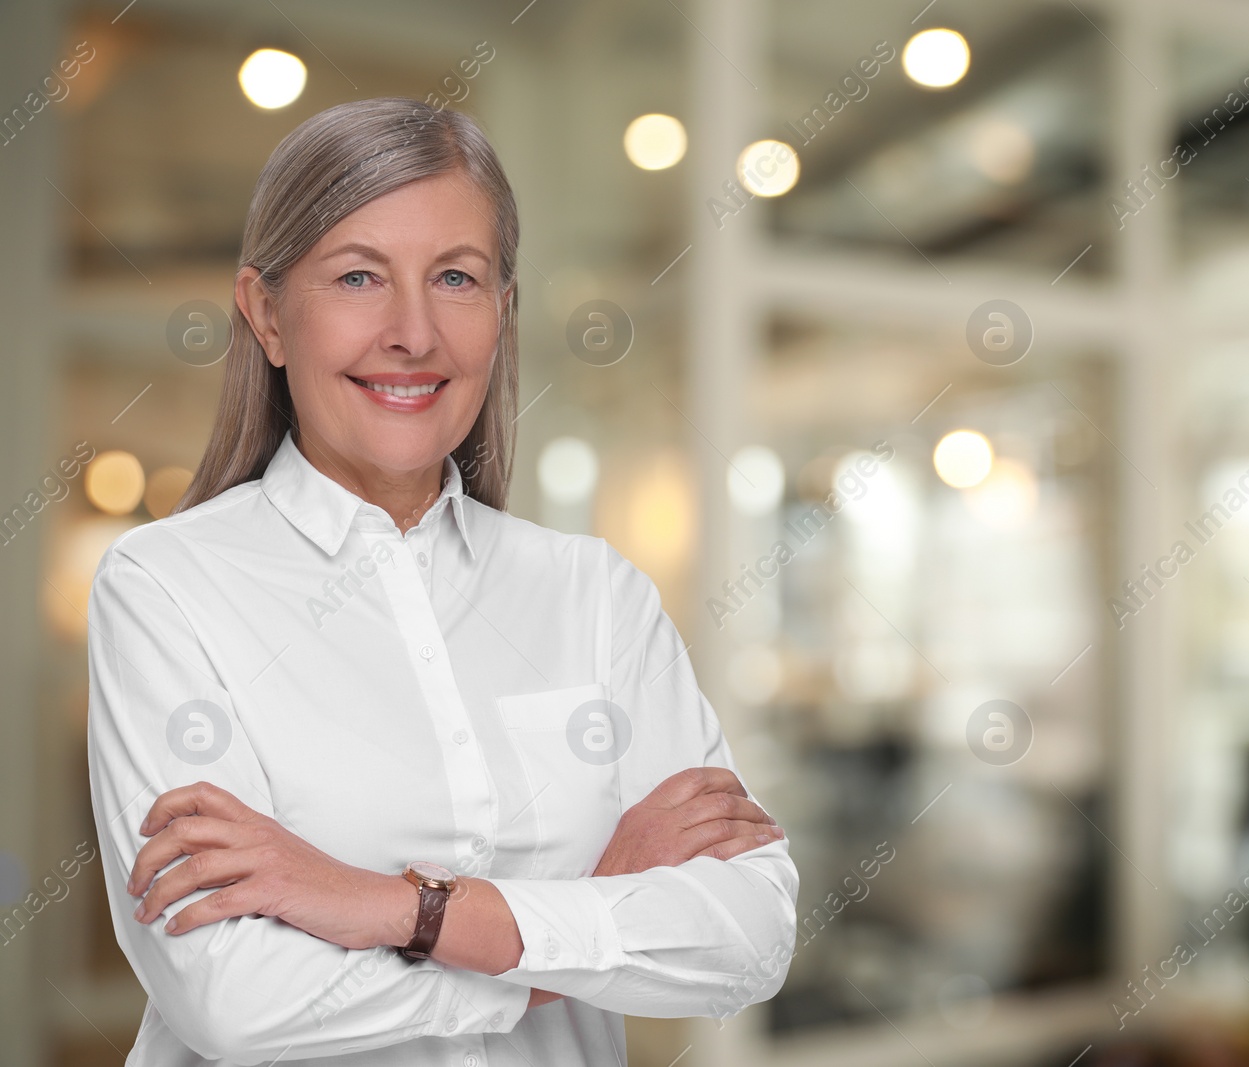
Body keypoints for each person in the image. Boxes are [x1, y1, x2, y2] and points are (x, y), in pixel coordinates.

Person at [85, 97, 798, 1066]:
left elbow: (745, 936)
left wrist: (387, 904)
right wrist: (569, 937)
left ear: (501, 311)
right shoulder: (168, 584)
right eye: (357, 276)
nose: (412, 333)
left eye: (455, 277)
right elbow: (233, 999)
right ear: (266, 313)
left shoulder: (596, 594)